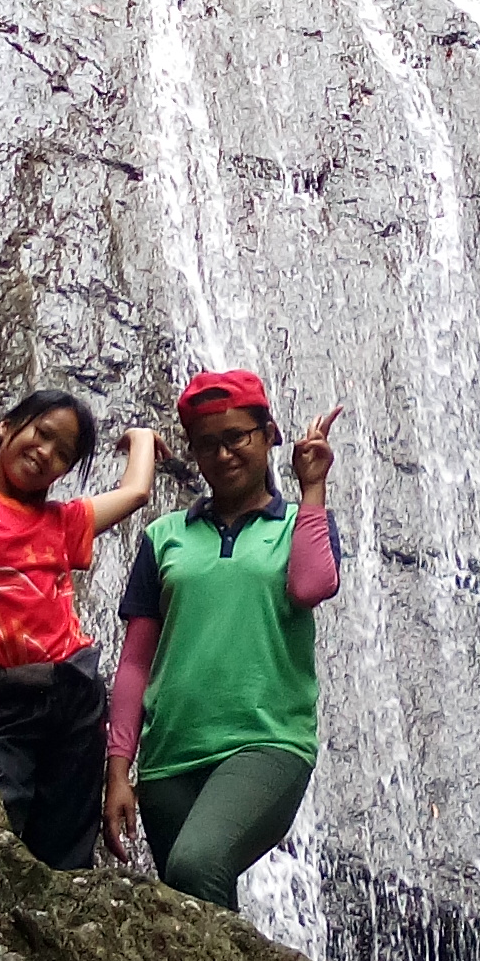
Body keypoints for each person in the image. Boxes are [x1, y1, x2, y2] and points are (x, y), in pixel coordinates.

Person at [102, 369, 341, 908]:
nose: (223, 454)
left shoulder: (300, 523)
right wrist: (118, 769)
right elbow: (135, 661)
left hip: (266, 744)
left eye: (237, 437)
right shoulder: (164, 537)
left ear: (269, 434)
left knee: (197, 862)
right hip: (168, 759)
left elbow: (312, 585)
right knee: (196, 909)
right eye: (206, 444)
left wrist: (313, 489)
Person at [0, 392, 158, 868]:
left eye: (63, 453)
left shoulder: (61, 522)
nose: (45, 453)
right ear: (6, 426)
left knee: (66, 852)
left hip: (78, 694)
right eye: (41, 434)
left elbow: (136, 492)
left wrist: (141, 438)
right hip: (5, 699)